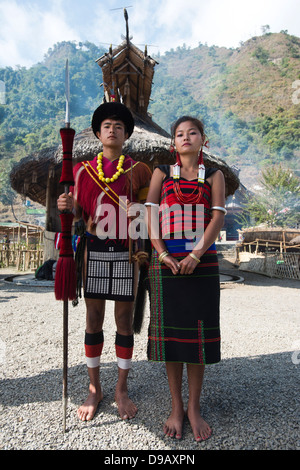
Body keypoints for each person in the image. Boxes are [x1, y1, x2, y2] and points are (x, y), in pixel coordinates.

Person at [57, 102, 152, 422]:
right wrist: (67, 205)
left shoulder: (140, 170)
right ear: (98, 133)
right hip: (93, 246)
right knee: (93, 319)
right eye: (107, 125)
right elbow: (80, 215)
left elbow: (148, 214)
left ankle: (122, 389)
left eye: (119, 126)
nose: (112, 129)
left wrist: (136, 213)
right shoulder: (83, 171)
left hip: (127, 251)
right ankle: (94, 388)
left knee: (124, 322)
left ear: (126, 135)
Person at [145, 116, 226, 442]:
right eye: (180, 134)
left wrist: (196, 254)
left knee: (197, 338)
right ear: (173, 143)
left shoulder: (215, 176)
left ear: (203, 140)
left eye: (193, 132)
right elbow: (150, 213)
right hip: (165, 265)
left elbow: (217, 216)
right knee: (174, 340)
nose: (186, 137)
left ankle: (194, 406)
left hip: (201, 264)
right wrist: (163, 253)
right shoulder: (161, 173)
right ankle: (176, 406)